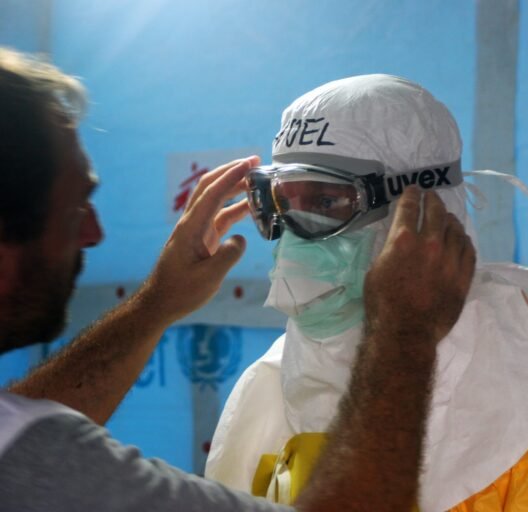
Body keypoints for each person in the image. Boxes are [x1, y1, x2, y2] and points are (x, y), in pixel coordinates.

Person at [0, 47, 476, 511]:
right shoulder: (47, 465)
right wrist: (405, 335)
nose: (94, 233)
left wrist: (156, 305)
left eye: (326, 203)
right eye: (74, 210)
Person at [205, 74, 528, 511]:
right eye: (281, 204)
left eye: (327, 204)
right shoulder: (271, 384)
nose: (292, 244)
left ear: (420, 210)